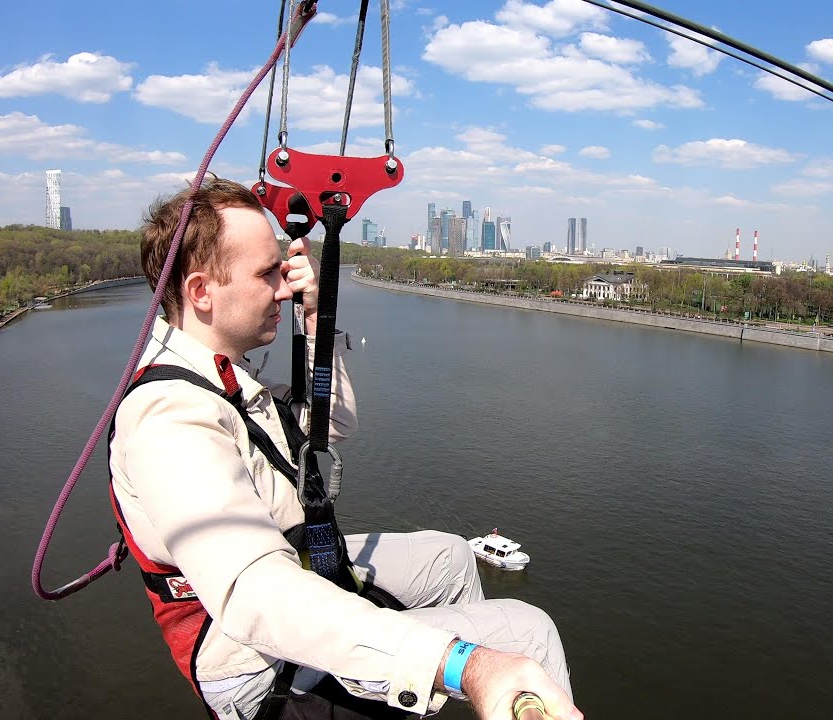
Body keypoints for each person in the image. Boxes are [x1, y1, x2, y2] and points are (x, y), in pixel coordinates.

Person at [110, 177, 580, 720]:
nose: (284, 289)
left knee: (451, 557)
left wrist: (315, 319)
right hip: (251, 665)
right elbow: (257, 597)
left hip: (295, 565)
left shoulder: (221, 381)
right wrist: (462, 664)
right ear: (200, 292)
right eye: (268, 274)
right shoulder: (170, 419)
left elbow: (330, 425)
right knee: (530, 632)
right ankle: (483, 680)